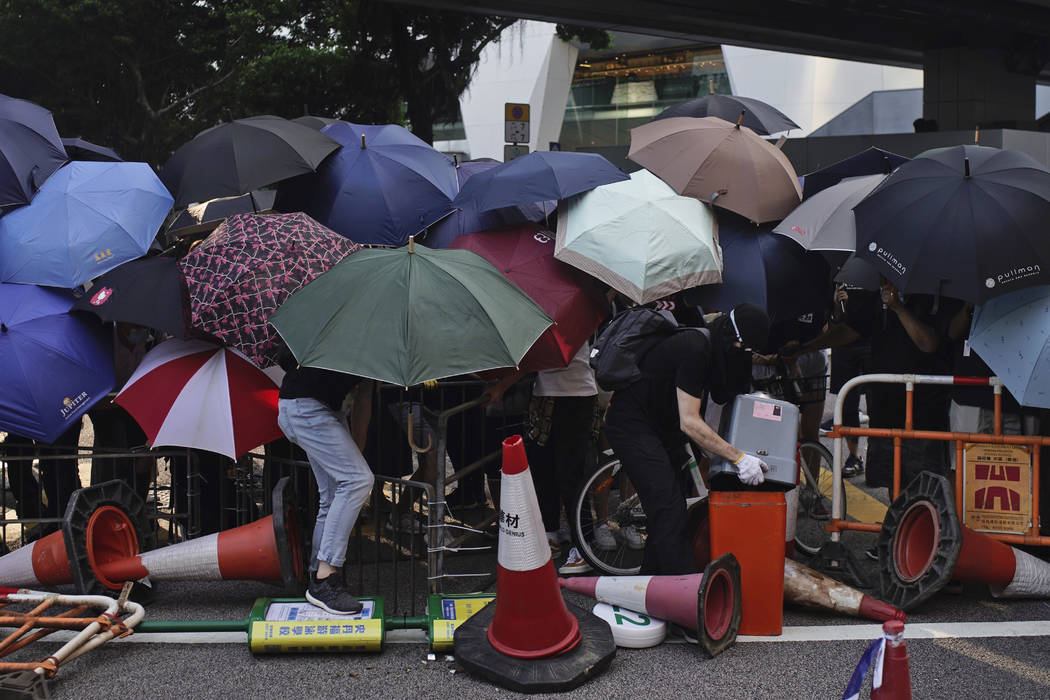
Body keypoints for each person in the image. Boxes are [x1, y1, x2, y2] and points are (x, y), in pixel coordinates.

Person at [604, 302, 772, 575]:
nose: (743, 356)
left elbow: (720, 399)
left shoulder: (713, 348)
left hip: (659, 426)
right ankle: (681, 593)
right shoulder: (694, 347)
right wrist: (738, 457)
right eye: (743, 349)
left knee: (669, 512)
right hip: (632, 425)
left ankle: (651, 587)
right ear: (732, 337)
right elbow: (690, 421)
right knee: (669, 511)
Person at [786, 278, 962, 492]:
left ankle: (922, 524)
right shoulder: (878, 297)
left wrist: (898, 308)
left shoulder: (934, 293)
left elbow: (928, 343)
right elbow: (850, 331)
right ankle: (898, 523)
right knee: (892, 480)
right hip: (884, 401)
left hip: (925, 405)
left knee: (926, 483)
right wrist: (804, 349)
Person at [277, 364, 375, 615]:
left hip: (318, 408)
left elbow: (365, 396)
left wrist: (356, 455)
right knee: (358, 481)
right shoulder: (362, 335)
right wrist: (355, 465)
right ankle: (324, 576)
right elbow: (363, 397)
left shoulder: (372, 344)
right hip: (304, 407)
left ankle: (317, 574)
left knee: (333, 496)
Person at [523, 342, 601, 576]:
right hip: (543, 394)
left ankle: (584, 544)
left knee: (571, 476)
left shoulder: (575, 310)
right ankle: (551, 532)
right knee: (543, 469)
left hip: (577, 396)